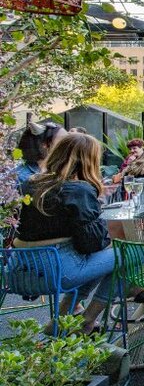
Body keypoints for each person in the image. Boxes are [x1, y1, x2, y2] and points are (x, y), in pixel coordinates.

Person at [15, 134, 114, 334]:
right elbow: (93, 244)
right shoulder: (78, 190)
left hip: (20, 272)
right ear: (88, 160)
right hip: (58, 272)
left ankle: (60, 320)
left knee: (101, 261)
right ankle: (86, 321)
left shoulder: (30, 184)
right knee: (130, 255)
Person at [14, 121, 67, 187]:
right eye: (63, 140)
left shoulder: (63, 169)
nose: (69, 144)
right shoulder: (20, 177)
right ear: (44, 145)